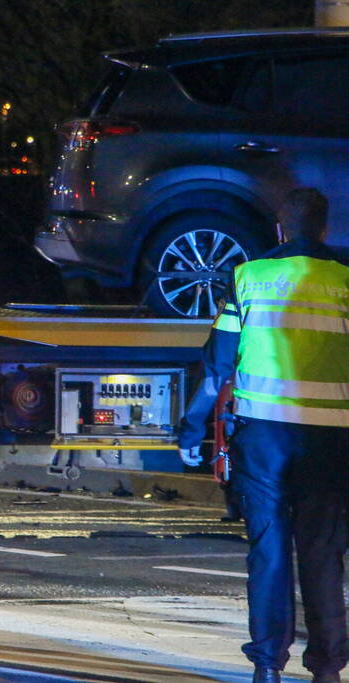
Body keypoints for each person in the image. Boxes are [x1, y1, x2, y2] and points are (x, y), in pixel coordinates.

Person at [177, 188, 349, 683]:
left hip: (264, 438)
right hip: (331, 440)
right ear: (323, 229)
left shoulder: (248, 277)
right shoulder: (344, 279)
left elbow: (217, 366)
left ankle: (269, 667)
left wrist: (192, 430)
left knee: (269, 550)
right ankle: (327, 669)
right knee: (323, 553)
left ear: (279, 229)